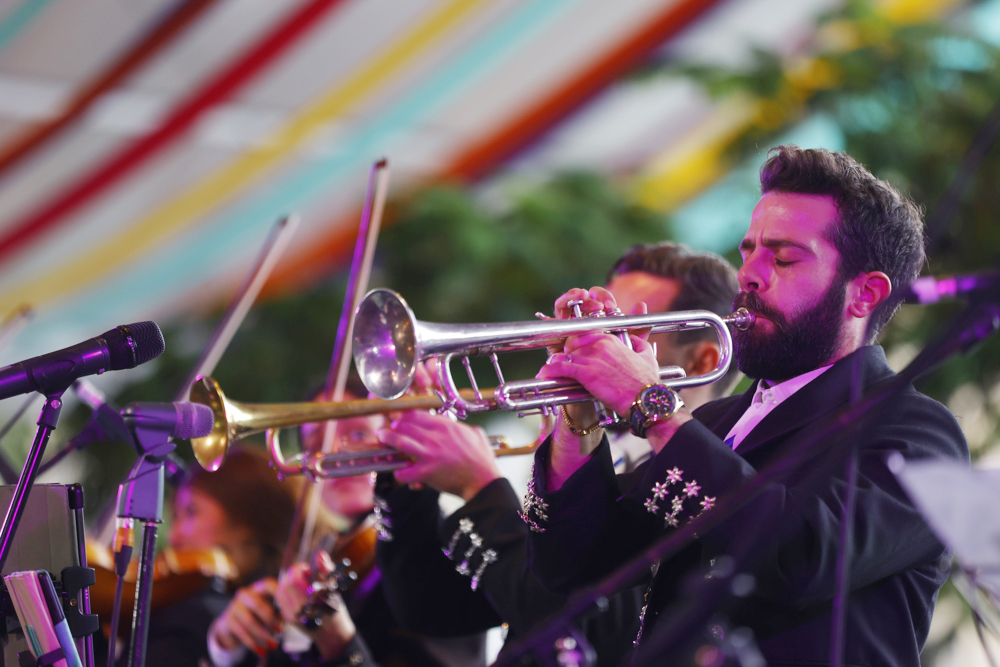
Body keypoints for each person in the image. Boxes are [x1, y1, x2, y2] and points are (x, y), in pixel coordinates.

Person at [521, 145, 969, 665]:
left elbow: (803, 558)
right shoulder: (715, 422)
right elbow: (576, 565)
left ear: (864, 294)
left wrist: (651, 405)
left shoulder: (918, 432)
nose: (748, 276)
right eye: (747, 251)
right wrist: (578, 423)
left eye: (782, 257)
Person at [374, 243, 741, 665]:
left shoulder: (694, 482)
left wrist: (479, 490)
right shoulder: (579, 441)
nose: (588, 342)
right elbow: (434, 609)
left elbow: (577, 625)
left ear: (700, 363)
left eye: (617, 332)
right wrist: (404, 481)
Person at [206, 383, 487, 667]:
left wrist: (339, 644)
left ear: (398, 433)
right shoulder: (322, 553)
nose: (336, 452)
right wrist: (228, 644)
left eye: (357, 433)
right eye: (317, 444)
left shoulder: (444, 551)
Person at [127, 446, 304, 667]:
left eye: (191, 511)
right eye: (176, 515)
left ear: (244, 521)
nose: (174, 535)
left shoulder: (195, 618)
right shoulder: (186, 604)